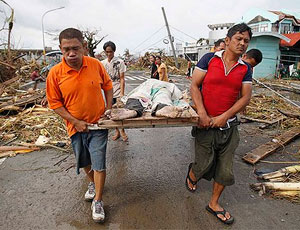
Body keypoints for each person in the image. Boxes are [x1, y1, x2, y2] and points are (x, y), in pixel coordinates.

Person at [186, 23, 253, 225]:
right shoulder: (209, 59)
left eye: (246, 41)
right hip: (205, 124)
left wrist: (225, 116)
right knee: (203, 164)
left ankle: (214, 203)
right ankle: (192, 173)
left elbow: (245, 98)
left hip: (229, 127)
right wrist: (202, 113)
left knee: (225, 169)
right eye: (238, 39)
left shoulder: (245, 68)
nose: (242, 44)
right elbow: (195, 86)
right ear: (227, 41)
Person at [46, 28, 113, 223]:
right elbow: (55, 103)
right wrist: (75, 121)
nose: (71, 53)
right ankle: (93, 184)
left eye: (75, 48)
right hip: (75, 128)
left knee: (99, 162)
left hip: (98, 126)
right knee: (84, 162)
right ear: (60, 49)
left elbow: (108, 87)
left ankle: (98, 201)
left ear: (83, 47)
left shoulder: (95, 65)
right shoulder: (55, 74)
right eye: (66, 49)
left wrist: (108, 109)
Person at [101, 41, 128, 142]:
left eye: (111, 52)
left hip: (117, 90)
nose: (109, 54)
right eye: (107, 52)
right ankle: (117, 130)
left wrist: (122, 93)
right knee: (111, 112)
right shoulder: (102, 63)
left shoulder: (120, 62)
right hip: (108, 92)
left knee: (121, 112)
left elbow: (122, 78)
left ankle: (123, 131)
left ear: (114, 51)